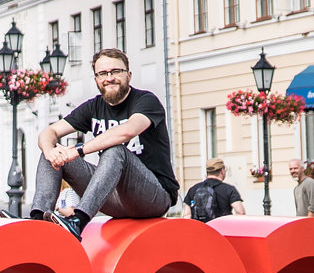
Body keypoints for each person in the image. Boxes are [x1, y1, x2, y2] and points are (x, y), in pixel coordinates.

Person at [27, 48, 178, 238]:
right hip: (113, 199)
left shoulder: (146, 101)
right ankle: (37, 219)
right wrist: (50, 151)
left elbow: (127, 131)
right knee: (52, 153)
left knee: (115, 150)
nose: (110, 78)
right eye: (103, 73)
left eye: (116, 72)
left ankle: (77, 221)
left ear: (128, 75)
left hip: (153, 197)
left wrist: (79, 150)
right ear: (96, 79)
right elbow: (50, 131)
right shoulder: (94, 106)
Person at [182, 159, 247, 223]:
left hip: (200, 230)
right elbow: (240, 212)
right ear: (222, 171)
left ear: (207, 172)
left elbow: (187, 215)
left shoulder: (193, 189)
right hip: (221, 230)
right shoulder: (229, 189)